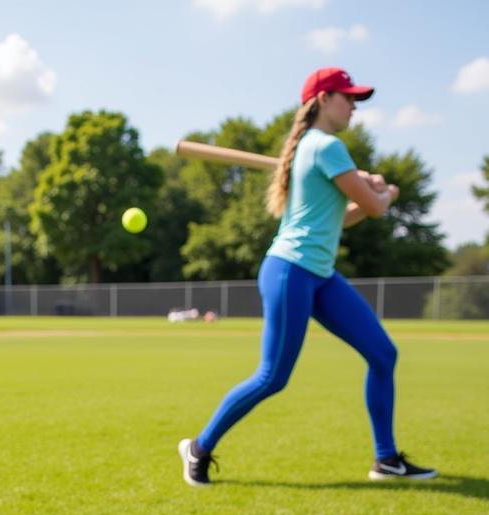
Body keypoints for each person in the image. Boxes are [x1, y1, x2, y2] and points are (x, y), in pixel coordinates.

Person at [179, 67, 437, 486]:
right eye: (348, 98)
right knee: (272, 377)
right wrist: (385, 192)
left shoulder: (316, 151)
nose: (354, 106)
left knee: (383, 355)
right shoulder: (326, 148)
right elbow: (373, 208)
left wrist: (370, 191)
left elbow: (343, 219)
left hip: (320, 275)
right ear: (322, 100)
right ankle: (199, 447)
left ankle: (386, 459)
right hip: (290, 272)